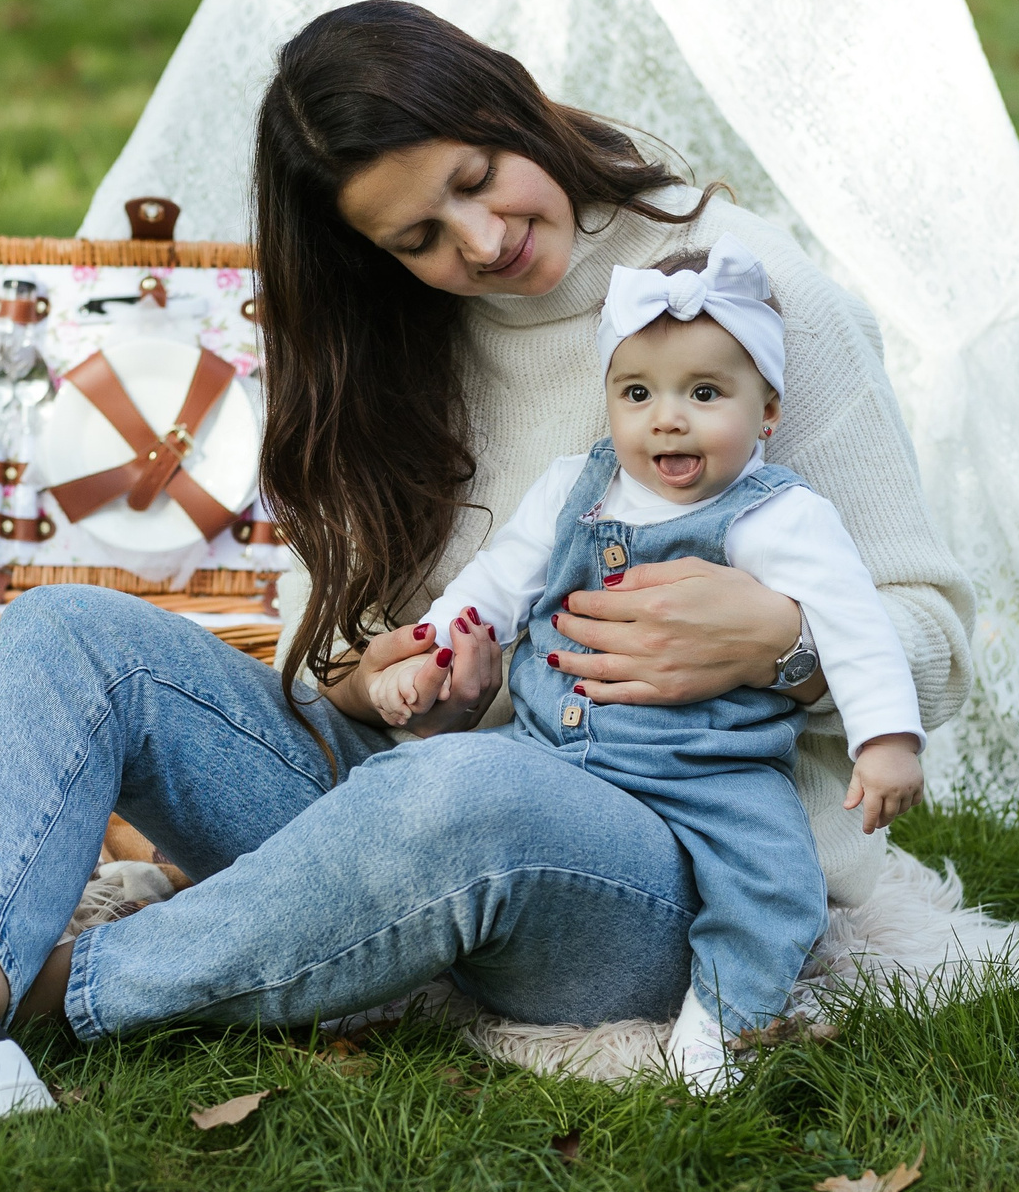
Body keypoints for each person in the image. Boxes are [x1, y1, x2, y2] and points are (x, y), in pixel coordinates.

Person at [0, 1, 972, 1158]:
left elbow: (937, 639)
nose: (482, 240)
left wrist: (781, 639)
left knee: (465, 788)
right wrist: (384, 676)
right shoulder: (392, 348)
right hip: (417, 786)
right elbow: (323, 657)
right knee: (69, 631)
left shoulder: (746, 304)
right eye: (420, 235)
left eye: (479, 180)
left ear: (516, 104)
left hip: (667, 865)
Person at [366, 237, 922, 1086]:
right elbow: (496, 583)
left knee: (776, 887)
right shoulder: (571, 489)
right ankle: (381, 951)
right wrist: (435, 652)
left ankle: (717, 1025)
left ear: (766, 411)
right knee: (421, 788)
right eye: (638, 393)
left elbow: (856, 627)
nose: (667, 417)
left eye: (704, 393)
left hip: (713, 769)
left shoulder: (780, 517)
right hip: (552, 744)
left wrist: (886, 739)